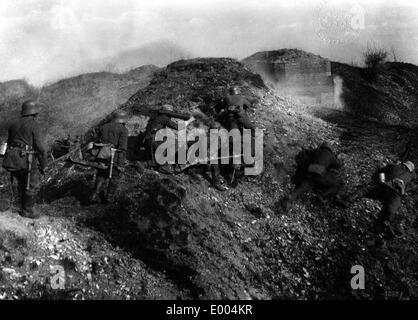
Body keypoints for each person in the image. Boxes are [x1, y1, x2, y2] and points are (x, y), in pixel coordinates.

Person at [2, 100, 48, 218]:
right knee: (32, 185)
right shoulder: (34, 125)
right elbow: (41, 148)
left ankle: (23, 208)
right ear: (34, 113)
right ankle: (28, 211)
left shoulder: (13, 124)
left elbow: (10, 142)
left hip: (14, 160)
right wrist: (44, 165)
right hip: (28, 159)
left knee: (22, 184)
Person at [349, 161, 416, 234]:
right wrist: (404, 190)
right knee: (391, 209)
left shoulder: (394, 166)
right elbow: (411, 186)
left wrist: (381, 179)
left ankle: (348, 200)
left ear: (404, 164)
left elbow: (380, 172)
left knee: (365, 190)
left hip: (384, 187)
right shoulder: (412, 175)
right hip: (394, 193)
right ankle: (382, 226)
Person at [280, 142, 343, 212]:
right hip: (319, 174)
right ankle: (322, 195)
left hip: (309, 171)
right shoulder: (330, 155)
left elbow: (307, 155)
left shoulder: (316, 151)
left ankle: (290, 197)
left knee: (304, 186)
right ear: (330, 149)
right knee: (337, 184)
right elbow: (338, 165)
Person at [89, 110, 129, 204]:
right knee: (115, 177)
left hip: (102, 155)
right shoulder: (123, 130)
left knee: (101, 175)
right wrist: (120, 164)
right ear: (123, 119)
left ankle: (93, 196)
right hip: (114, 156)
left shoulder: (103, 127)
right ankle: (109, 198)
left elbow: (97, 140)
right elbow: (122, 149)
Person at [143, 104, 178, 173]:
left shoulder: (155, 118)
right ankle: (163, 165)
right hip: (154, 142)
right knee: (175, 142)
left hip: (148, 142)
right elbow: (176, 127)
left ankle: (148, 163)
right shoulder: (163, 117)